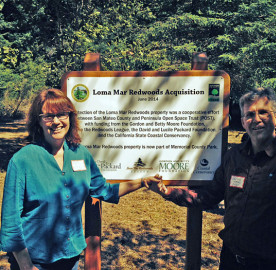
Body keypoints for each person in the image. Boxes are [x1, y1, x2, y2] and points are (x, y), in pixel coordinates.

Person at [0, 88, 161, 270]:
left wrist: (142, 182)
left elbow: (103, 190)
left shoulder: (80, 154)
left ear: (70, 117)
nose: (56, 121)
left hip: (71, 259)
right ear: (38, 121)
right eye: (48, 116)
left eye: (62, 114)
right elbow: (10, 222)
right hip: (35, 262)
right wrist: (26, 265)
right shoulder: (23, 160)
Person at [151, 88, 276, 270]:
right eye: (250, 114)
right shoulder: (234, 156)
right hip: (230, 259)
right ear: (244, 122)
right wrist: (168, 191)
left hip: (269, 264)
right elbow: (210, 196)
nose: (257, 119)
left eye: (263, 112)